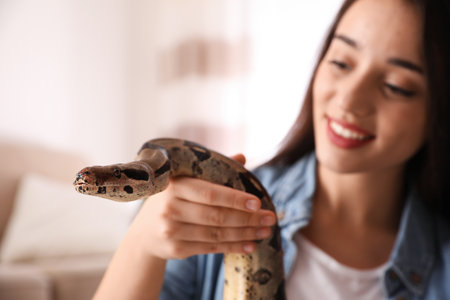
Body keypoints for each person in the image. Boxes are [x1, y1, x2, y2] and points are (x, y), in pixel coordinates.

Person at [94, 0, 450, 298]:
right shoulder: (203, 209)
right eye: (341, 62)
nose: (349, 100)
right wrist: (142, 244)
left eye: (396, 85)